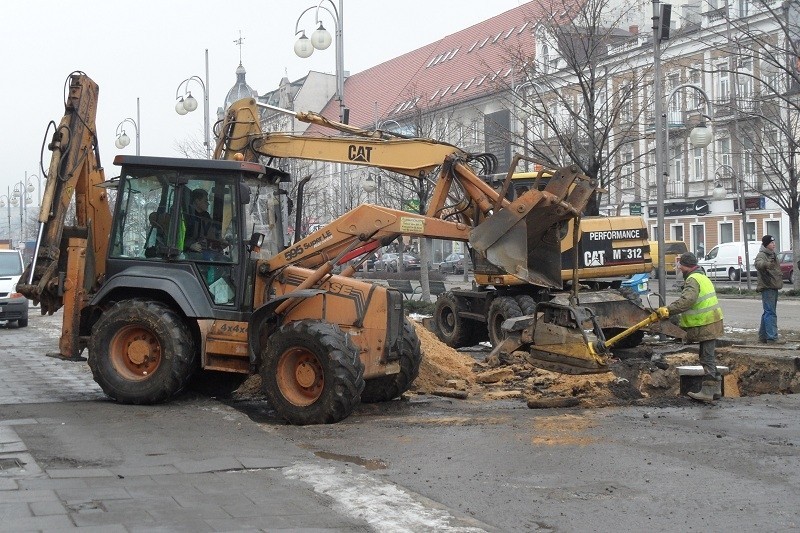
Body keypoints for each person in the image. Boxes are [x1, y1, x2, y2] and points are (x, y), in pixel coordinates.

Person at [656, 252, 724, 402]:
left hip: (705, 322)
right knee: (708, 356)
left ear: (686, 266)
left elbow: (688, 300)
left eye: (681, 266)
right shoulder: (702, 277)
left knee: (706, 358)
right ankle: (715, 390)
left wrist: (668, 310)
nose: (680, 269)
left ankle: (708, 391)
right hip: (711, 321)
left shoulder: (693, 280)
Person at [754, 234, 784, 344]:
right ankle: (772, 338)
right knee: (770, 313)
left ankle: (763, 336)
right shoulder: (762, 254)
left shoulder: (772, 254)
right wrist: (766, 264)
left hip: (773, 286)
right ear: (766, 244)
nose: (774, 244)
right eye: (771, 243)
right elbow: (758, 264)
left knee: (768, 312)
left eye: (774, 242)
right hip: (768, 286)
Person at [184, 188, 215, 253]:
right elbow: (178, 238)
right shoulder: (187, 216)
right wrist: (189, 245)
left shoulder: (206, 216)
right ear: (197, 201)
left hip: (205, 251)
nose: (208, 204)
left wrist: (219, 241)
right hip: (188, 254)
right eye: (205, 201)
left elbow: (211, 233)